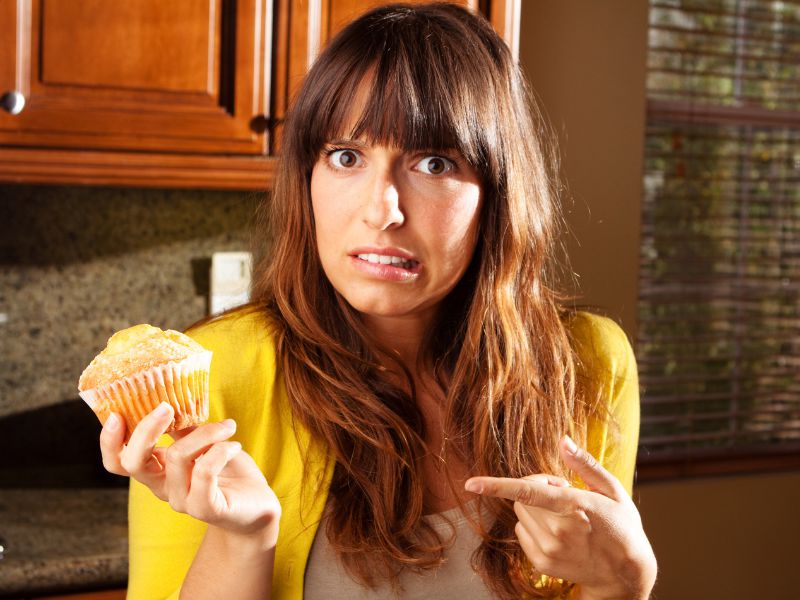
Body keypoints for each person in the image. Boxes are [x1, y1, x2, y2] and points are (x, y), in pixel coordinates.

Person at [99, 3, 657, 599]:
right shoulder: (206, 376)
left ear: (498, 192)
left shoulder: (589, 364)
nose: (381, 211)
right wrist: (242, 540)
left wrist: (624, 583)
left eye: (434, 162)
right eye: (346, 157)